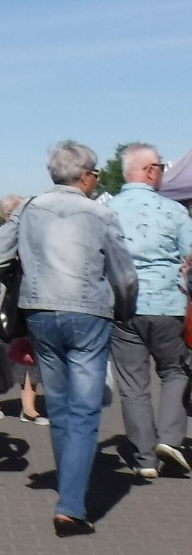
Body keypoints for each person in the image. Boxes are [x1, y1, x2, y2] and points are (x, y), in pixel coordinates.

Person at [0, 140, 138, 537]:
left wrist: (23, 274)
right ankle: (71, 506)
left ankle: (67, 483)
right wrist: (124, 309)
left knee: (58, 405)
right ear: (85, 176)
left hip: (40, 314)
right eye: (94, 174)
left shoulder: (28, 208)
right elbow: (124, 275)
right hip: (90, 315)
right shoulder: (101, 213)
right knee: (86, 409)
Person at [107, 143, 192, 478]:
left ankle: (144, 461)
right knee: (175, 370)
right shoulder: (174, 211)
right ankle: (170, 437)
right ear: (150, 171)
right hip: (168, 304)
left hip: (123, 306)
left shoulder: (108, 210)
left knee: (133, 384)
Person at [0, 195, 49, 425]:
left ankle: (29, 407)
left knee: (30, 355)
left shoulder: (37, 239)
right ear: (6, 217)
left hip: (30, 303)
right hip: (2, 303)